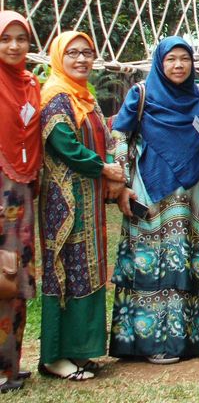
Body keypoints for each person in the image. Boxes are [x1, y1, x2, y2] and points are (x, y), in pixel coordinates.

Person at [109, 36, 199, 365]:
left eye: (185, 58)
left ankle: (180, 342)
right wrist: (121, 187)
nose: (179, 65)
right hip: (148, 194)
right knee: (148, 265)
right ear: (160, 62)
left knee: (181, 268)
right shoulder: (141, 94)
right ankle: (141, 342)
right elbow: (121, 140)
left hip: (189, 200)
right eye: (171, 59)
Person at [39, 31, 125, 381]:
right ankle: (54, 356)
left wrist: (111, 173)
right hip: (65, 202)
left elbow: (104, 136)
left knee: (88, 271)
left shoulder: (84, 98)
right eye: (72, 53)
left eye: (87, 52)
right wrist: (103, 167)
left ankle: (81, 351)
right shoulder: (56, 97)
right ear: (59, 57)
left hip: (88, 199)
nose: (81, 59)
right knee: (64, 271)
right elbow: (64, 144)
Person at [0, 12, 41, 392]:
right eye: (5, 39)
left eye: (21, 39)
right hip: (1, 189)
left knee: (16, 278)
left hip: (23, 190)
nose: (13, 46)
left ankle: (11, 365)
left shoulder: (30, 84)